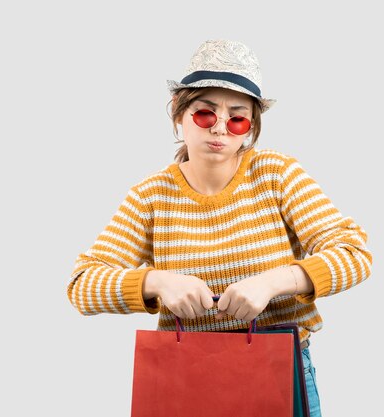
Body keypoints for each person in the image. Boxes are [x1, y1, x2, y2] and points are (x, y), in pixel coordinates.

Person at [67, 39, 372, 417]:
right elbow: (82, 285)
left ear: (250, 129)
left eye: (237, 117)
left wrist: (274, 281)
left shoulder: (277, 174)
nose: (221, 128)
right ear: (179, 116)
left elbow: (354, 253)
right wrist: (157, 282)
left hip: (277, 372)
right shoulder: (150, 196)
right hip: (185, 379)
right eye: (205, 113)